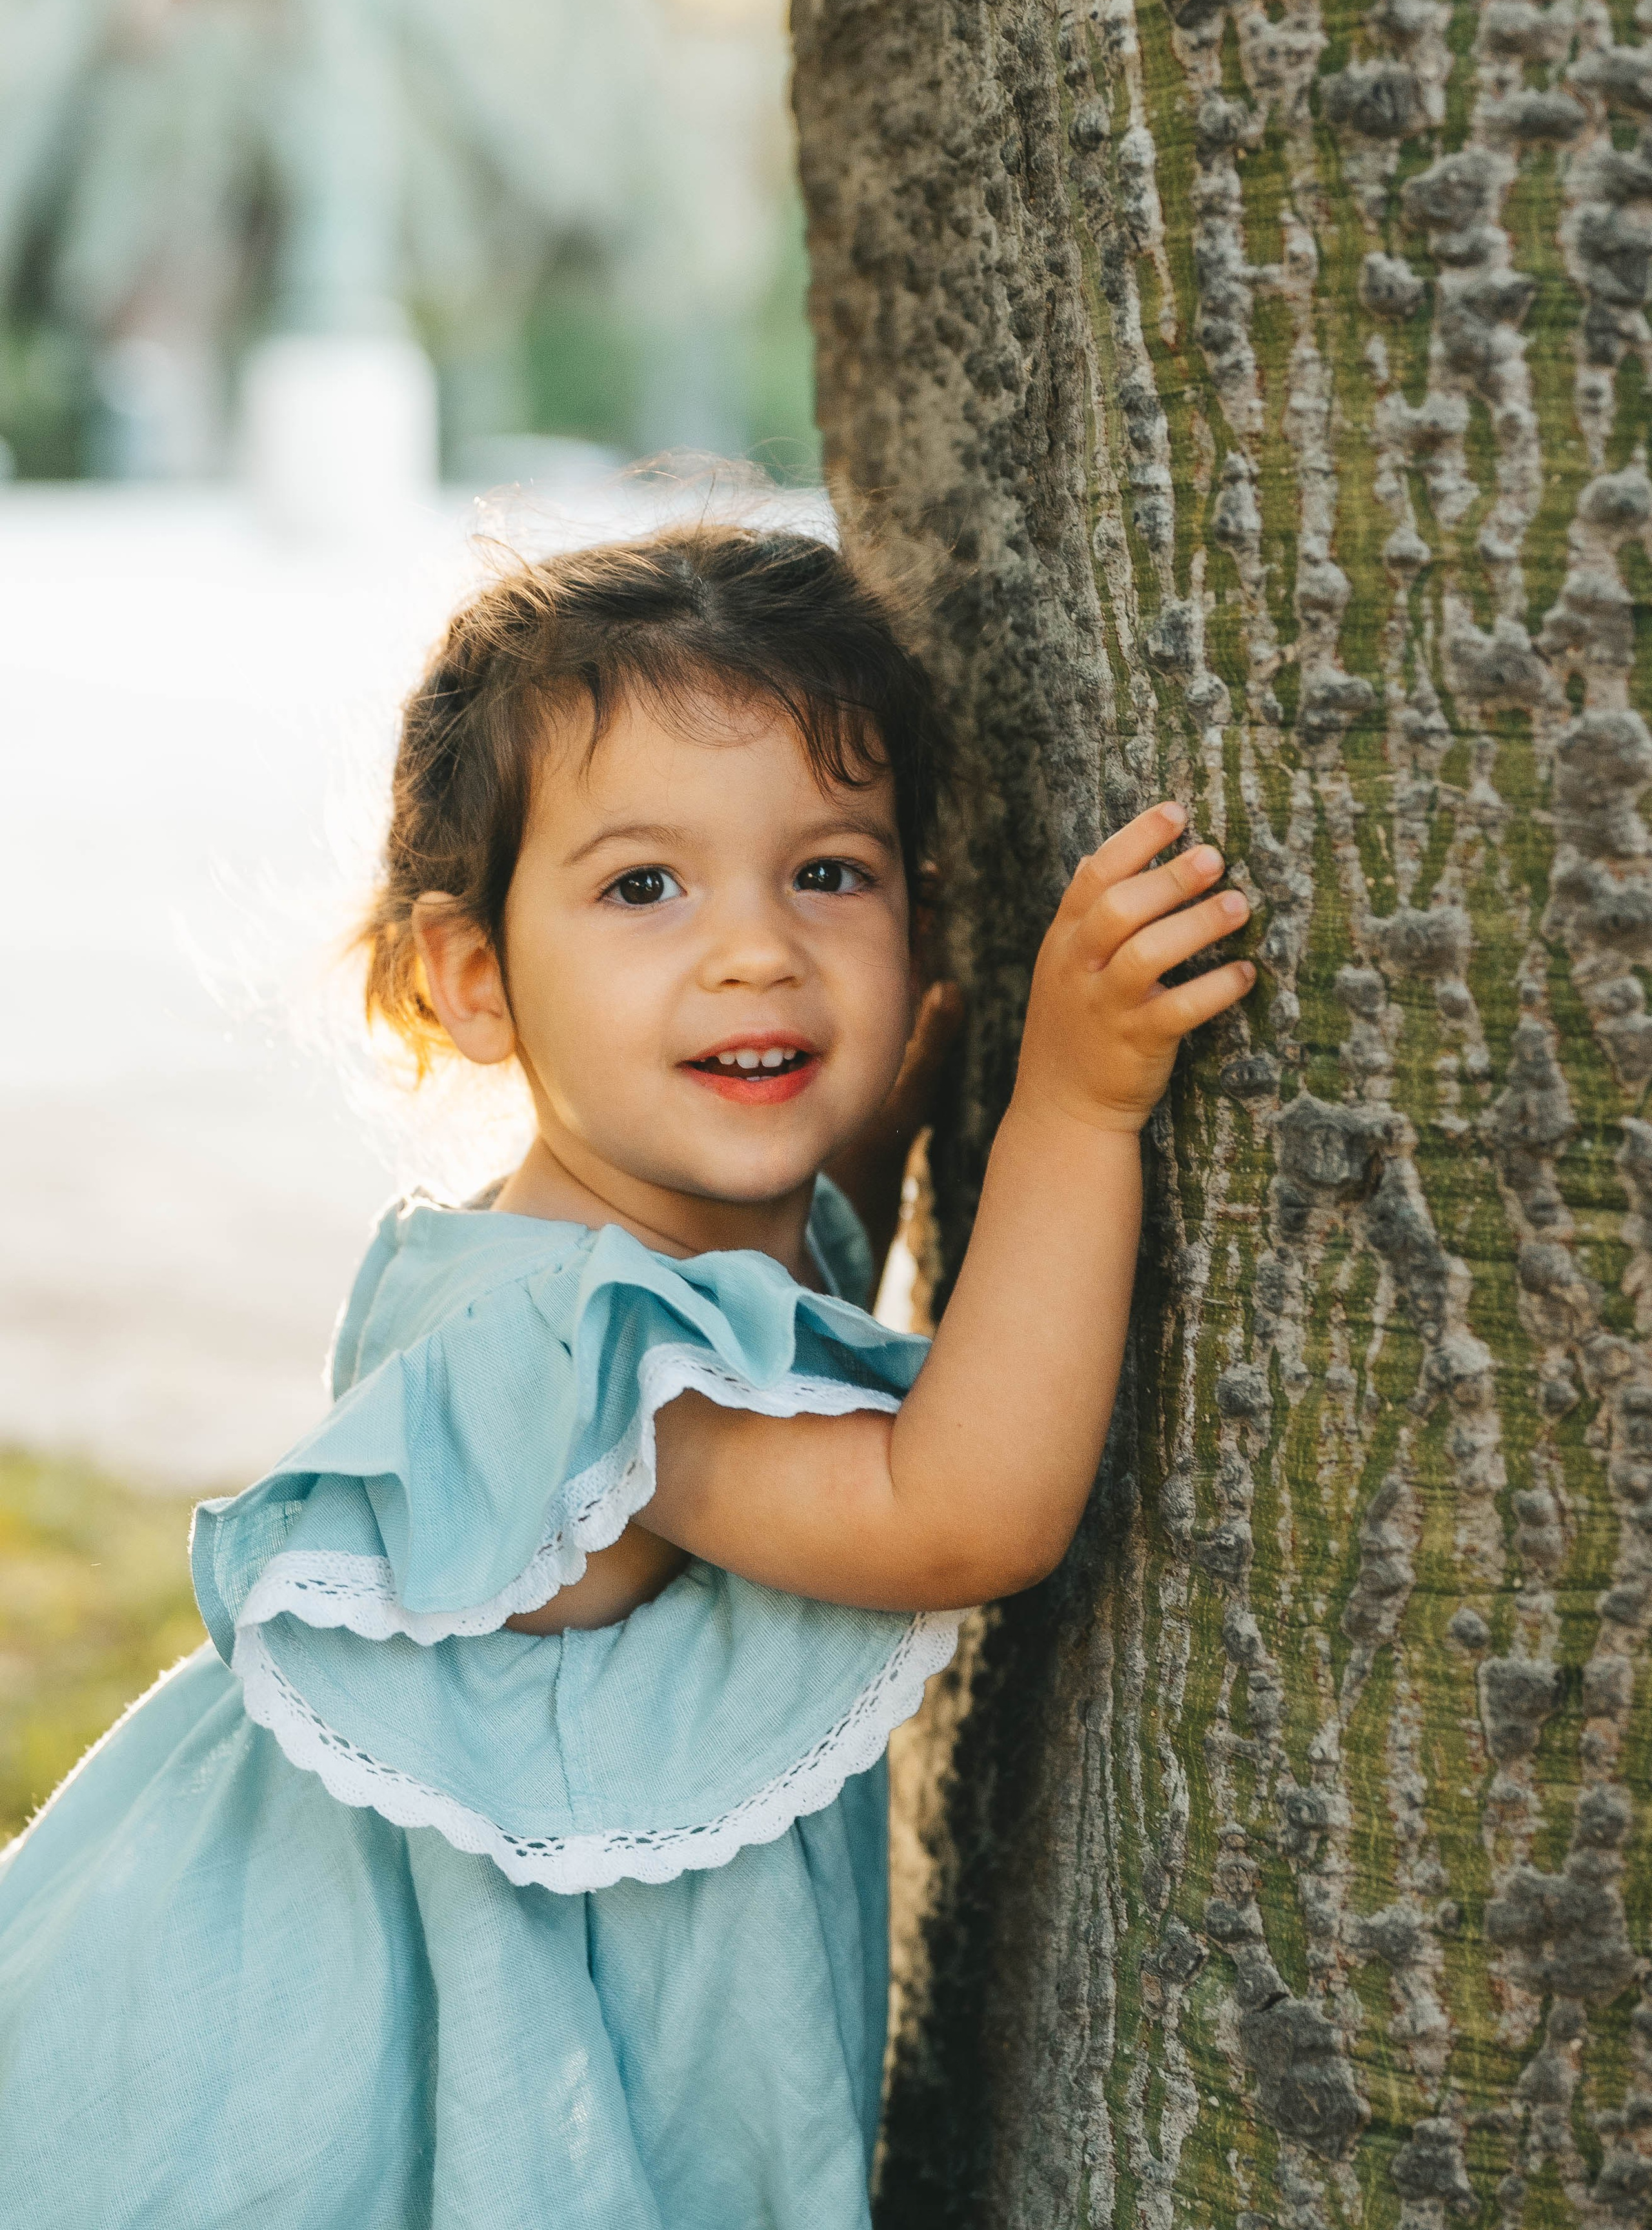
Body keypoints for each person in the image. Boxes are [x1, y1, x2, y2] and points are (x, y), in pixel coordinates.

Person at [0, 522, 1253, 2227]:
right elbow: (957, 1511)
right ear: (470, 979)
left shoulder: (662, 1254)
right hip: (319, 2104)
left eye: (830, 873)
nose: (756, 952)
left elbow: (796, 1302)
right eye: (643, 886)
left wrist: (877, 1139)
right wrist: (1073, 1107)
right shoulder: (578, 1354)